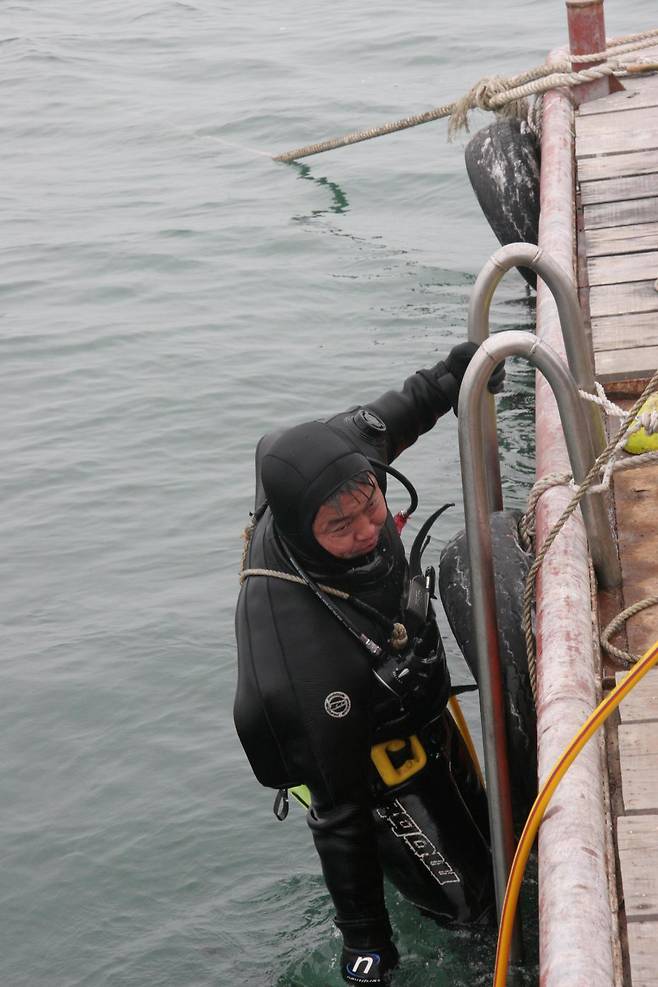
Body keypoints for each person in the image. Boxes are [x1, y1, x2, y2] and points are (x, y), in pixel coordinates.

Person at [234, 342, 504, 985]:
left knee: (502, 851)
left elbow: (404, 409)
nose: (365, 529)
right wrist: (366, 945)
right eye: (340, 526)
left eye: (371, 505)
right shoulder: (297, 651)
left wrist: (457, 374)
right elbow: (338, 816)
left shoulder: (344, 459)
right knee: (475, 913)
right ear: (300, 530)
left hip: (416, 710)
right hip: (363, 771)